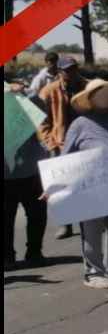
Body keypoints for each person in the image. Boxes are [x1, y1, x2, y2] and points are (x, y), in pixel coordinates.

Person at [61, 79, 108, 289]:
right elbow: (65, 156)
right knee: (92, 231)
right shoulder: (80, 123)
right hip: (89, 188)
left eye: (105, 92)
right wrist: (56, 185)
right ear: (90, 99)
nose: (102, 96)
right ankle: (93, 272)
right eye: (97, 93)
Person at [38, 56, 86, 240]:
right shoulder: (49, 91)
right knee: (61, 187)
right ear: (59, 71)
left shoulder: (88, 86)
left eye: (73, 68)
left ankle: (90, 220)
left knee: (85, 184)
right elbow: (41, 121)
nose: (71, 72)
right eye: (67, 70)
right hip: (60, 144)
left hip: (84, 142)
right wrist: (49, 141)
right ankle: (65, 224)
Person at [4, 86, 48, 269]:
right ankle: (7, 256)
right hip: (6, 174)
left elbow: (41, 106)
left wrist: (24, 92)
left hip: (32, 170)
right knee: (5, 219)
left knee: (37, 214)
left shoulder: (23, 99)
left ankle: (34, 253)